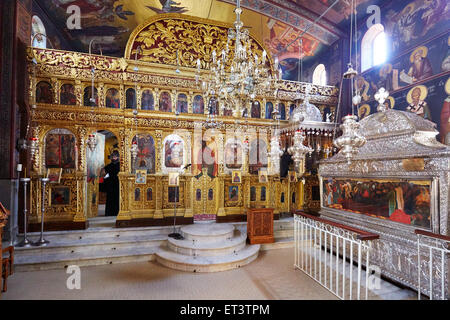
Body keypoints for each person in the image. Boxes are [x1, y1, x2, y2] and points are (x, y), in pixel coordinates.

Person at [104, 150, 120, 216]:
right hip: (110, 183)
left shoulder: (120, 165)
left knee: (117, 197)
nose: (114, 158)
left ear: (118, 157)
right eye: (113, 156)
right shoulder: (108, 166)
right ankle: (109, 212)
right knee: (110, 198)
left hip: (117, 183)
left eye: (115, 156)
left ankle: (117, 212)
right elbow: (104, 173)